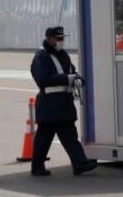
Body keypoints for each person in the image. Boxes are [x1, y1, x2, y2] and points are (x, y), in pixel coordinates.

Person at [29, 26, 98, 177]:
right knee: (45, 138)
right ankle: (38, 166)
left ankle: (79, 163)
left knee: (68, 134)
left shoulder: (63, 54)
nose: (61, 41)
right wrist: (67, 79)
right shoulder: (41, 56)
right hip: (49, 104)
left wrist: (78, 79)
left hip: (63, 103)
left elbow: (72, 72)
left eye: (62, 38)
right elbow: (42, 79)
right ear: (49, 39)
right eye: (57, 39)